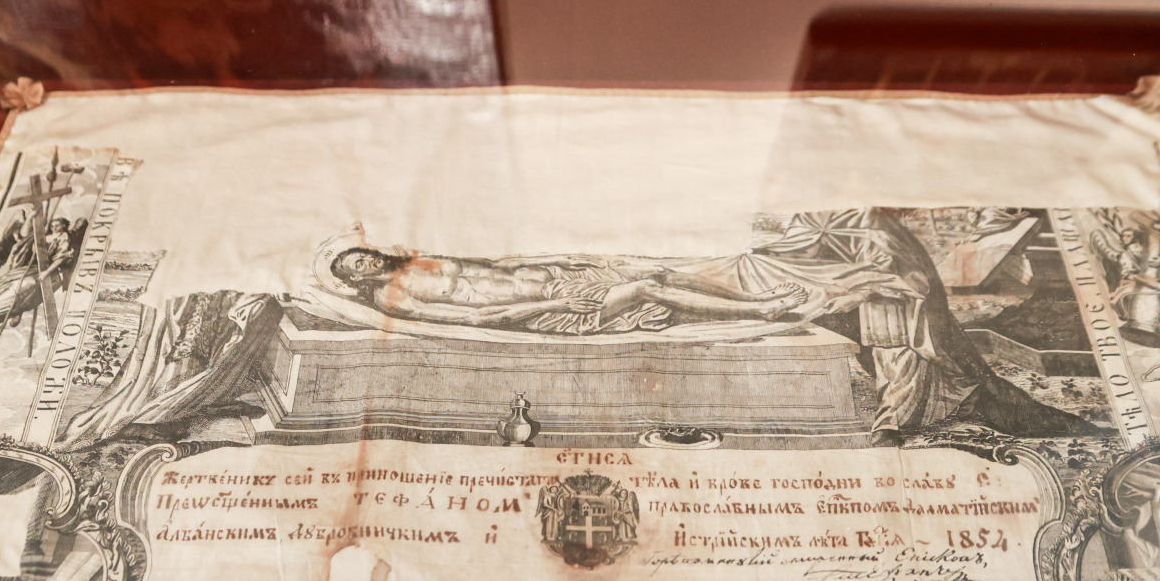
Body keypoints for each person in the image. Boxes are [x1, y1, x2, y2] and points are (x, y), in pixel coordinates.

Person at [328, 247, 809, 336]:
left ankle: (751, 299)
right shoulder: (389, 298)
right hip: (544, 309)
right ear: (353, 280)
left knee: (659, 269)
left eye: (362, 255)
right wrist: (557, 303)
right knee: (647, 289)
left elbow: (495, 264)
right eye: (356, 267)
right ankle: (764, 314)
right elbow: (474, 318)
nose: (366, 262)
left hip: (554, 278)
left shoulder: (416, 260)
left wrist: (565, 259)